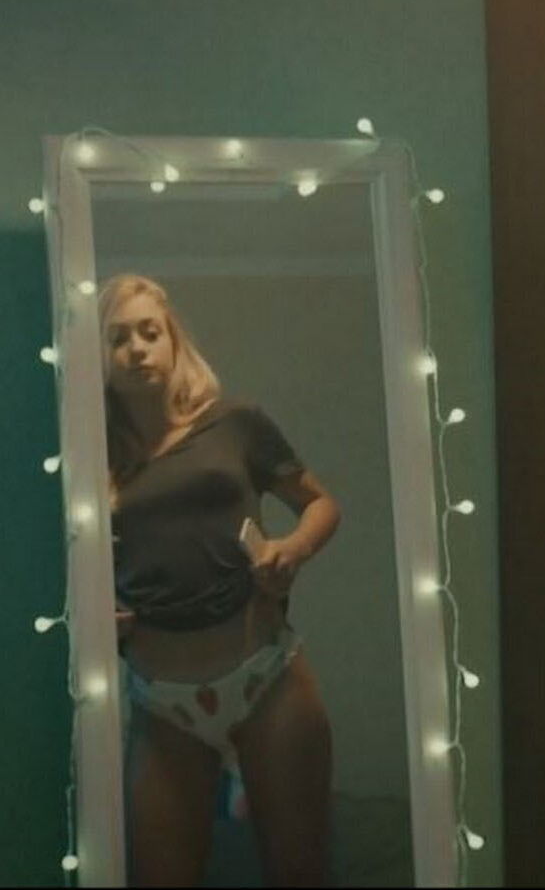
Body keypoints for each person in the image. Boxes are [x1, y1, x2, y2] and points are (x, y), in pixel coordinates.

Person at [101, 273, 341, 886]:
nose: (136, 349)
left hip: (266, 679)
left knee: (299, 871)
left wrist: (292, 549)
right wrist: (100, 611)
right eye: (118, 338)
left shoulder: (235, 423)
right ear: (99, 359)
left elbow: (320, 504)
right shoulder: (93, 460)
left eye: (149, 332)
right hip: (162, 701)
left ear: (173, 341)